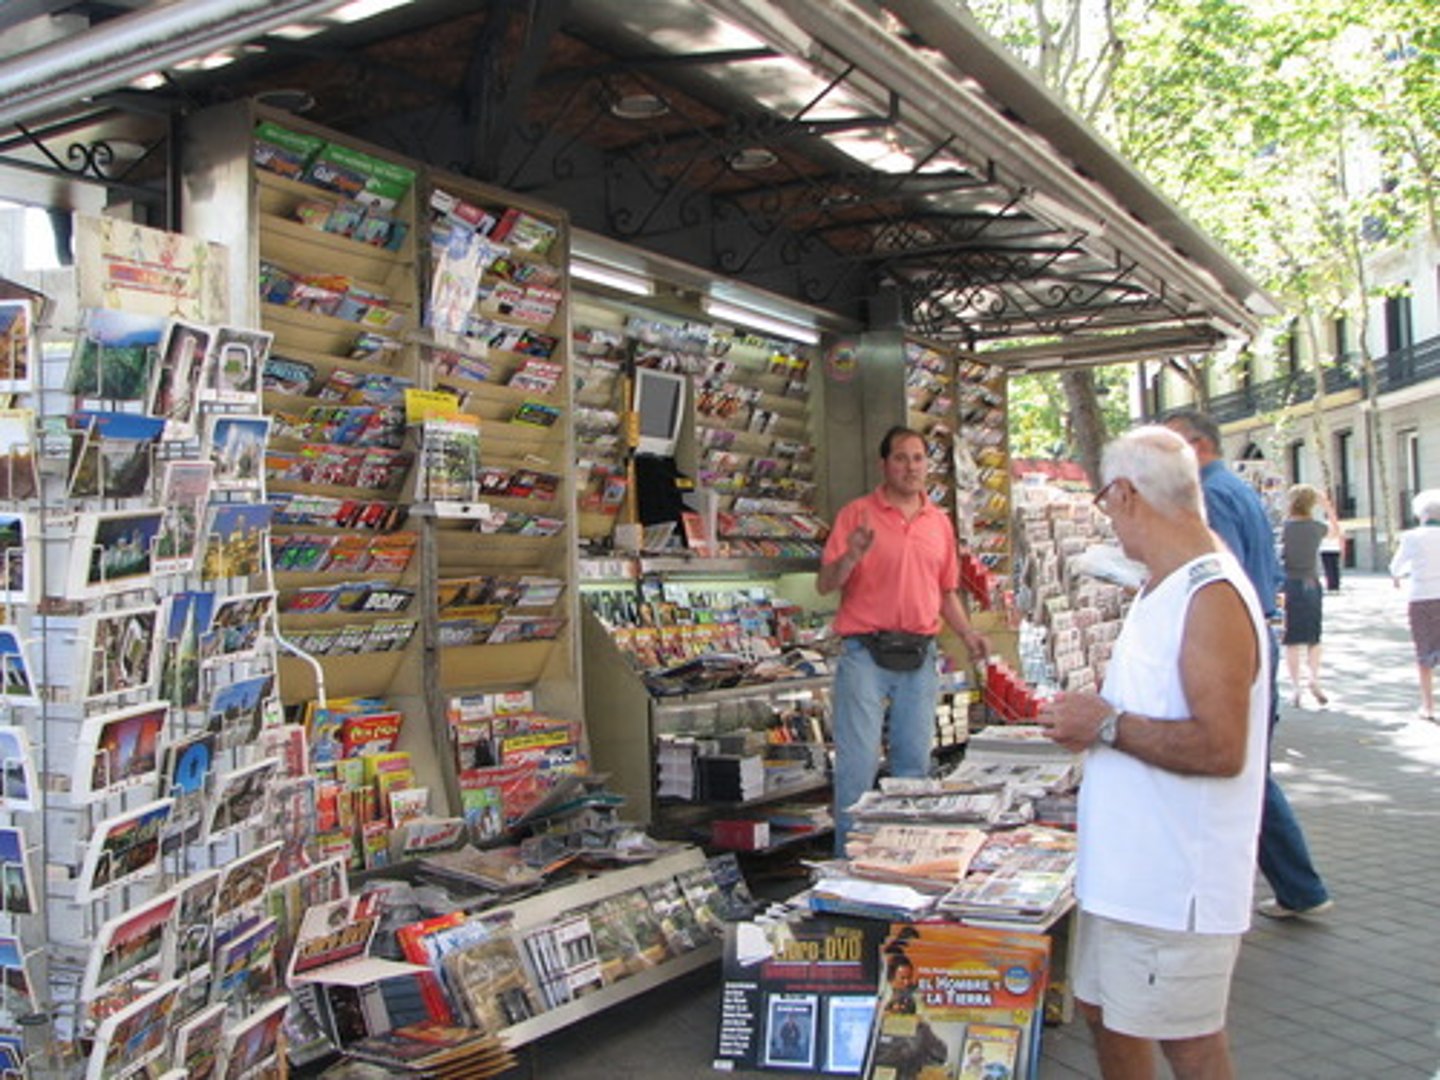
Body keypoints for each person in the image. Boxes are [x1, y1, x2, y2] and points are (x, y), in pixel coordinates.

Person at [1038, 425, 1268, 1080]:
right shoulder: (1164, 586)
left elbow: (1222, 747)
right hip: (1131, 877)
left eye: (1106, 503)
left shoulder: (1209, 595)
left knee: (1189, 1044)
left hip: (1173, 884)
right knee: (1107, 1016)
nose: (1109, 519)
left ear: (1125, 493)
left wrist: (1106, 725)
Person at [1166, 410, 1332, 921]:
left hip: (1238, 642)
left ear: (1196, 447)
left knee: (1239, 766)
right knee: (1246, 765)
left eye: (1167, 450)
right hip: (1259, 630)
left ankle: (1299, 886)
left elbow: (1218, 581)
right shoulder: (1238, 490)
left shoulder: (1211, 496)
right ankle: (1296, 887)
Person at [818, 425, 988, 851]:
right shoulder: (856, 514)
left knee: (913, 765)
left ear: (927, 465)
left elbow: (946, 589)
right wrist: (851, 557)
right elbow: (825, 583)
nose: (910, 467)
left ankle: (903, 859)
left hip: (919, 654)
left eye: (918, 458)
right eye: (900, 458)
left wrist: (968, 634)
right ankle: (847, 864)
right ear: (884, 464)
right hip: (865, 654)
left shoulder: (939, 523)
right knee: (856, 767)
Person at [1388, 489, 1440, 720]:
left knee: (1424, 651)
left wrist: (1400, 576)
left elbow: (1396, 566)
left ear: (1422, 515)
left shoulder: (1411, 537)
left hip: (1421, 597)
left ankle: (1428, 704)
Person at [1280, 484, 1329, 707]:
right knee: (1314, 637)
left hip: (1288, 584)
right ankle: (1314, 679)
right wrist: (1327, 505)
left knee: (1290, 639)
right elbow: (1338, 534)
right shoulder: (1318, 527)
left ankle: (1295, 688)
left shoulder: (1284, 529)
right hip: (1311, 583)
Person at [1317, 491, 1344, 591]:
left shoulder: (1324, 524)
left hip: (1326, 548)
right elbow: (1341, 535)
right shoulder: (1335, 524)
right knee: (1334, 567)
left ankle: (1331, 585)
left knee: (1329, 568)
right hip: (1333, 548)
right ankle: (1335, 584)